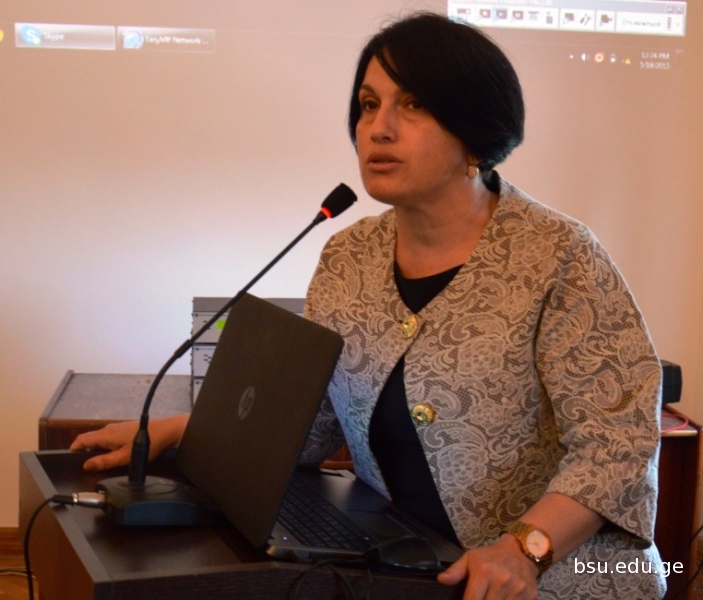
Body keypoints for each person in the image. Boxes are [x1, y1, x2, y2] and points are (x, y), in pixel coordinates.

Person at [70, 12, 665, 599]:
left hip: (555, 576)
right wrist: (183, 429)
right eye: (368, 104)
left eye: (413, 105)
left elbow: (616, 448)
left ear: (476, 128)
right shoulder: (347, 255)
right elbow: (317, 423)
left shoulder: (560, 255)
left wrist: (523, 550)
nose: (378, 128)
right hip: (408, 563)